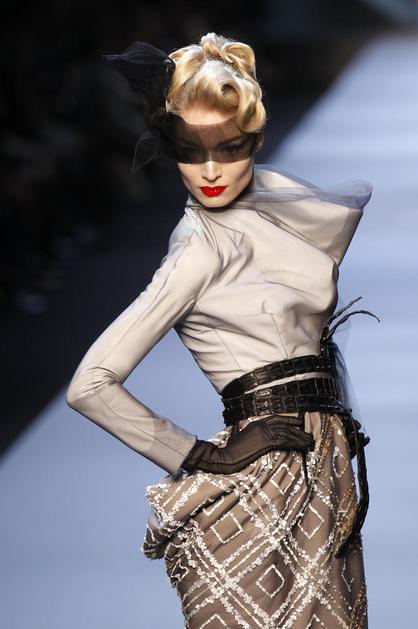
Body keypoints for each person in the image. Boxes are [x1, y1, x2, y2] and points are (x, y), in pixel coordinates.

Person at [66, 32, 378, 628]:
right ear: (170, 150)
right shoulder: (197, 250)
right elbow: (91, 384)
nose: (210, 171)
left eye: (229, 148)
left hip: (321, 472)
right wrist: (201, 455)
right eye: (191, 152)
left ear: (256, 139)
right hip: (258, 484)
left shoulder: (279, 209)